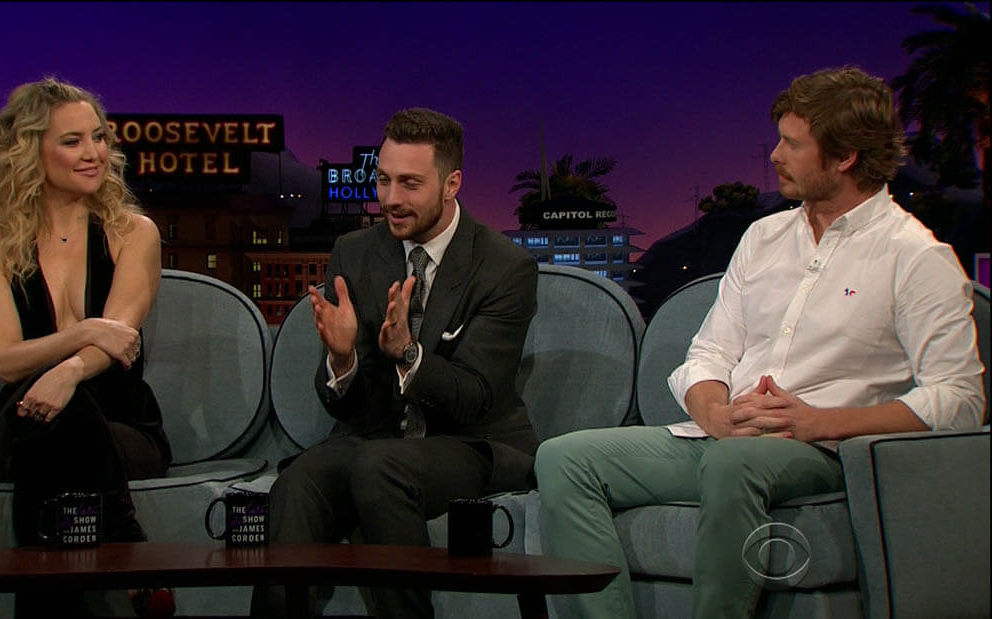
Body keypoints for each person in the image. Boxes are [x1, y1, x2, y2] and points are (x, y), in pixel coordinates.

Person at [535, 66, 986, 618]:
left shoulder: (914, 257)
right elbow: (708, 354)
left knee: (735, 464)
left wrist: (820, 423)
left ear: (845, 157)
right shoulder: (764, 237)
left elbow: (958, 398)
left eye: (793, 144)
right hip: (728, 438)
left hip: (825, 450)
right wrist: (716, 415)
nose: (774, 155)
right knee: (564, 459)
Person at [260, 107, 539, 619]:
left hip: (468, 442)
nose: (390, 198)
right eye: (384, 180)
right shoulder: (354, 252)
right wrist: (342, 359)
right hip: (375, 437)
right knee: (299, 479)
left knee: (379, 467)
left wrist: (409, 354)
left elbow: (477, 396)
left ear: (451, 184)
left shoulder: (505, 267)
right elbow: (347, 407)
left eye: (409, 183)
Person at [0, 77, 174, 617]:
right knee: (53, 418)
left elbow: (120, 339)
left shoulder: (134, 233)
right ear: (31, 151)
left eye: (99, 137)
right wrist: (81, 334)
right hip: (20, 416)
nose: (93, 153)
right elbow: (5, 358)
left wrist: (68, 372)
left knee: (59, 428)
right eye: (73, 141)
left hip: (121, 424)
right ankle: (131, 550)